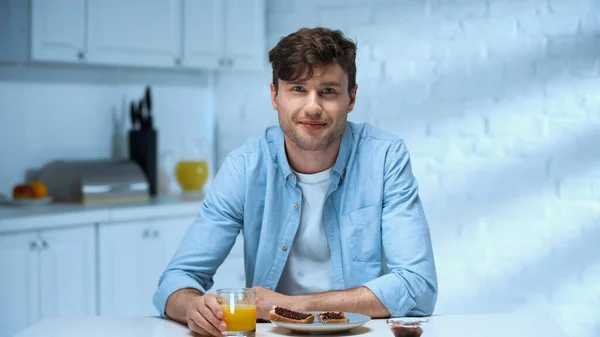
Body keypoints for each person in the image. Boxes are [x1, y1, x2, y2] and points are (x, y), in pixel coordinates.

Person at [153, 27, 437, 337]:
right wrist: (192, 307)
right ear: (275, 96)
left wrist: (292, 306)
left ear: (351, 97)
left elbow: (418, 287)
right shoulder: (245, 167)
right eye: (298, 89)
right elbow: (176, 280)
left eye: (328, 90)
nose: (313, 106)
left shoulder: (384, 158)